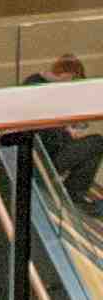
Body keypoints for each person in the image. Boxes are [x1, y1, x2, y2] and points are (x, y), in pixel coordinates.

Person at [24, 54, 103, 215]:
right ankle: (74, 193)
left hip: (45, 155)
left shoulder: (42, 86)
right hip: (39, 161)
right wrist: (67, 130)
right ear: (69, 76)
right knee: (97, 143)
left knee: (95, 143)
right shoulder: (37, 86)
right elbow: (43, 125)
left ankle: (75, 194)